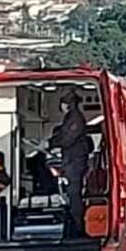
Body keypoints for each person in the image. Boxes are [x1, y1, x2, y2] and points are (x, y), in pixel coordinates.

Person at [49, 90, 92, 238]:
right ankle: (74, 225)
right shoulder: (71, 118)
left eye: (64, 103)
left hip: (75, 162)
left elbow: (67, 138)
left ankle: (77, 227)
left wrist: (51, 143)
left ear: (69, 104)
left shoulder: (75, 119)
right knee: (71, 193)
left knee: (74, 194)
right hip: (72, 160)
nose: (62, 106)